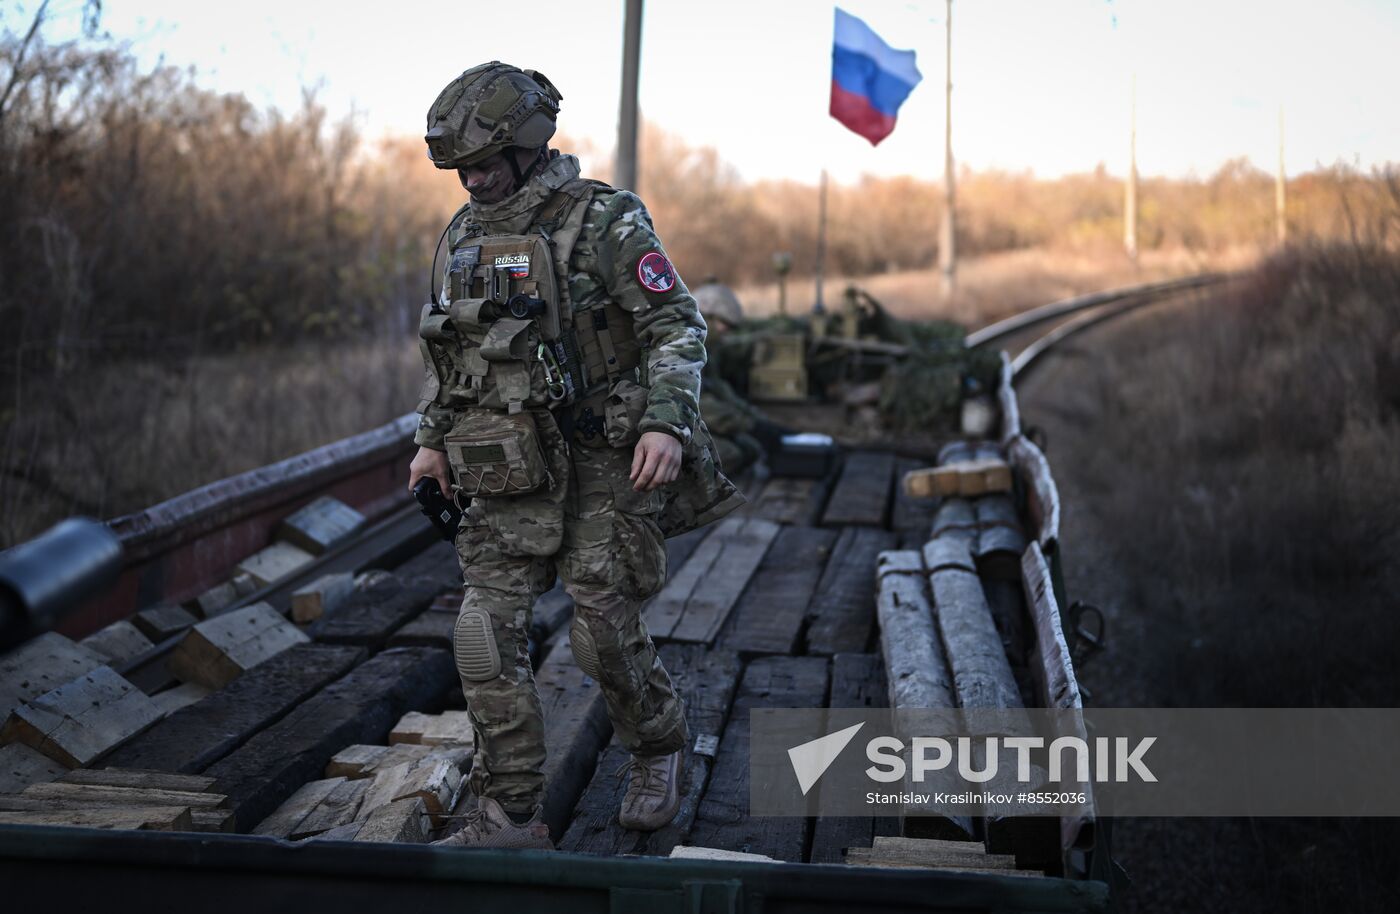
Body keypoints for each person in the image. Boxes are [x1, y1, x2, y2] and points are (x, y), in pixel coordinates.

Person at [407, 62, 741, 850]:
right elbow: (450, 357)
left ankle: (658, 744)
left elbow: (677, 327)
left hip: (602, 460)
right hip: (506, 465)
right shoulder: (461, 237)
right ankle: (512, 814)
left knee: (601, 632)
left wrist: (665, 422)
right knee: (483, 633)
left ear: (529, 147)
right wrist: (430, 442)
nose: (474, 181)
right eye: (462, 170)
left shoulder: (604, 222)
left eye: (486, 164)